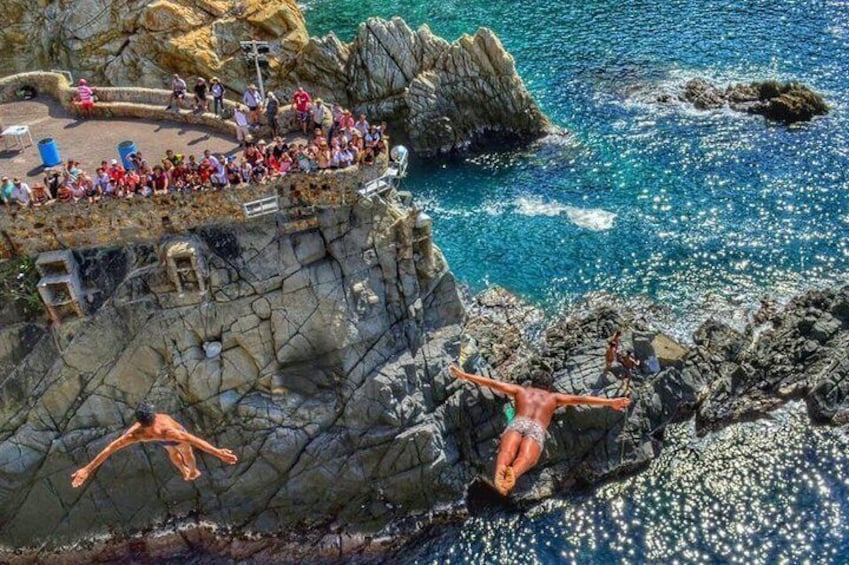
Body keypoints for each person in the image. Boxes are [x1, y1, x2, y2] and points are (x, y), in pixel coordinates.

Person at [449, 365, 630, 496]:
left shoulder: (521, 391)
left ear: (532, 383)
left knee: (506, 451)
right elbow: (581, 399)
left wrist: (464, 375)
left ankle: (500, 473)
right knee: (527, 458)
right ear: (548, 387)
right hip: (536, 428)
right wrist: (610, 402)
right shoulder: (554, 397)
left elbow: (493, 383)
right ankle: (515, 472)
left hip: (518, 422)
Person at [71, 402, 238, 487]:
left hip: (174, 437)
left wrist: (218, 452)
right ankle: (186, 470)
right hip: (162, 440)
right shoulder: (135, 434)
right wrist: (87, 468)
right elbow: (110, 448)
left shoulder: (166, 431)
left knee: (184, 452)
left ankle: (192, 471)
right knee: (174, 453)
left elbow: (193, 439)